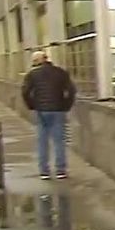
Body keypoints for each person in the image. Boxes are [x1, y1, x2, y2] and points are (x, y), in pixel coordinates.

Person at [21, 51, 76, 180]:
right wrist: (66, 106)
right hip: (58, 109)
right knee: (59, 141)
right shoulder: (60, 72)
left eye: (34, 61)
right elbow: (71, 91)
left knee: (42, 141)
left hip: (41, 111)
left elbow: (25, 92)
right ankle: (60, 170)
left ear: (37, 61)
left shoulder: (32, 74)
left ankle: (44, 171)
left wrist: (32, 105)